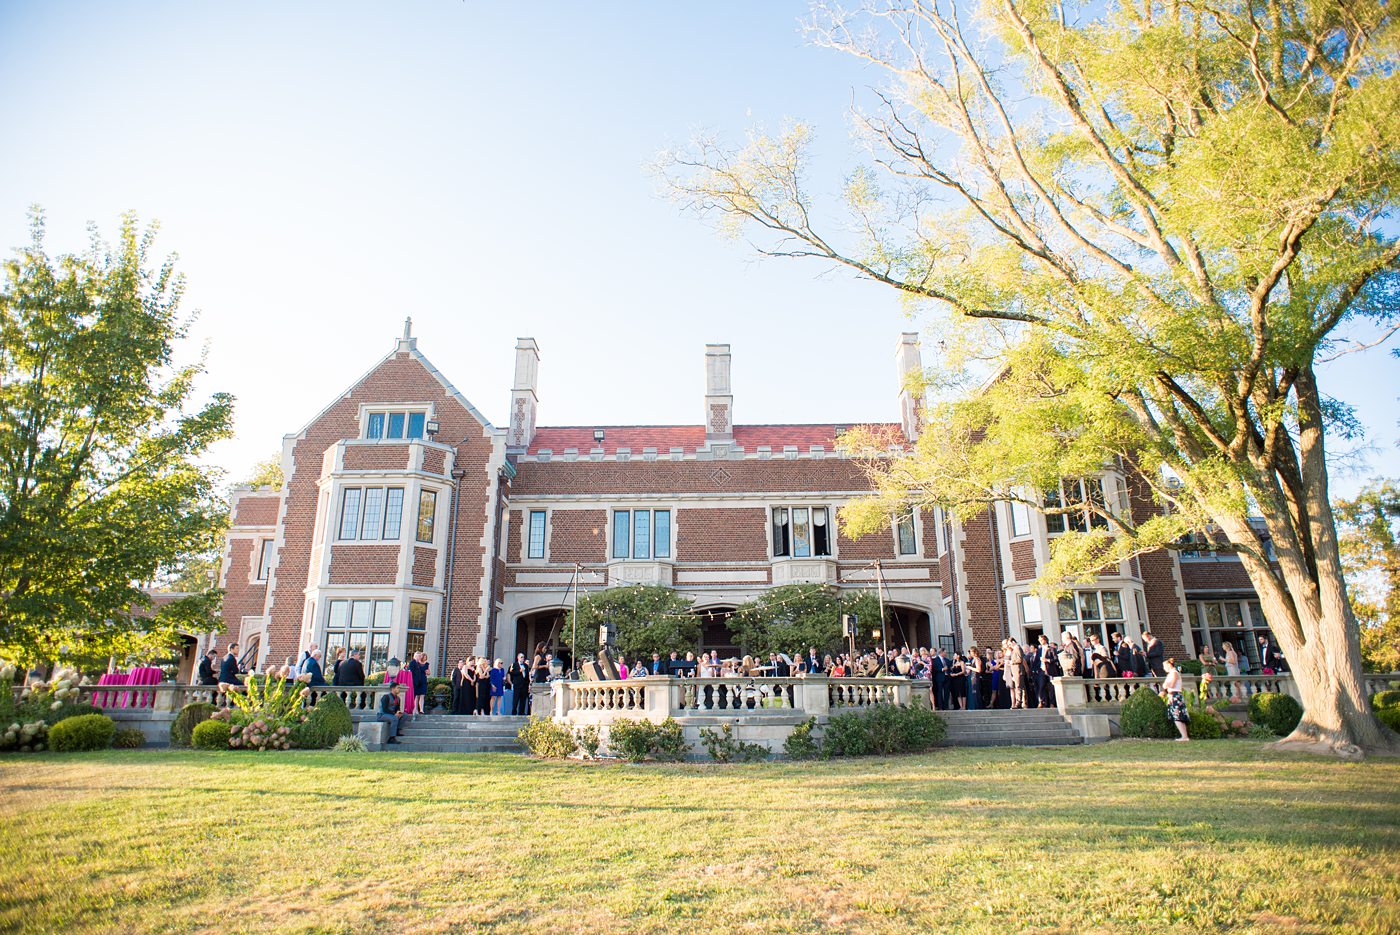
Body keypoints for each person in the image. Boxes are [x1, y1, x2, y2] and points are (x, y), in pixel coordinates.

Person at [1162, 658, 1190, 741]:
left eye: (1164, 666)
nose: (1164, 669)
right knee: (1177, 717)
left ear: (1169, 665)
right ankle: (1184, 736)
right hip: (1172, 695)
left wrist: (1166, 684)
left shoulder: (1174, 673)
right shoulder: (1171, 674)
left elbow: (1171, 684)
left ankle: (1184, 736)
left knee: (1177, 716)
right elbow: (1165, 686)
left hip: (1176, 695)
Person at [1003, 639, 1028, 709]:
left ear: (1013, 642)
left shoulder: (1017, 648)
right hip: (1015, 670)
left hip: (1018, 670)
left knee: (1018, 686)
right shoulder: (1015, 649)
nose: (1010, 646)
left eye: (1010, 644)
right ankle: (1022, 702)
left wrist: (1011, 662)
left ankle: (1019, 702)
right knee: (1020, 686)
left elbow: (1020, 659)